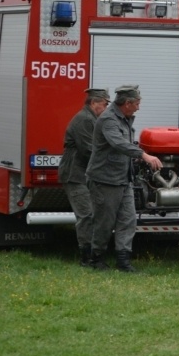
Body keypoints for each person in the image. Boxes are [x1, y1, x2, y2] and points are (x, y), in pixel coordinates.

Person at [86, 85, 162, 272]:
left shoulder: (124, 118)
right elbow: (118, 143)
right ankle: (97, 259)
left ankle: (123, 261)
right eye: (136, 103)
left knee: (128, 220)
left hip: (123, 179)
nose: (138, 107)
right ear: (127, 103)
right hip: (105, 179)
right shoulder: (108, 119)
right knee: (104, 222)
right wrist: (143, 155)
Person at [59, 88, 111, 267]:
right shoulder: (84, 119)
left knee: (92, 214)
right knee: (86, 214)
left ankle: (93, 255)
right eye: (105, 103)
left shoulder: (92, 119)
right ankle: (86, 257)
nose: (106, 108)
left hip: (84, 174)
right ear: (94, 103)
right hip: (75, 174)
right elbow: (89, 149)